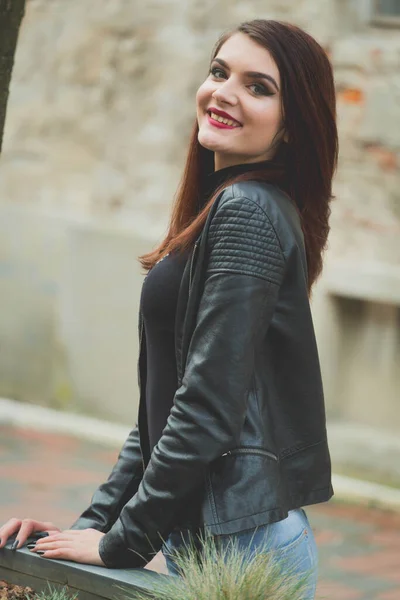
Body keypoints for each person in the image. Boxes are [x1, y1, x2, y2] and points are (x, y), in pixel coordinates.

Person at [0, 19, 337, 599]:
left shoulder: (247, 210)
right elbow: (162, 414)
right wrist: (89, 530)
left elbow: (205, 407)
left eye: (259, 87)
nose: (225, 92)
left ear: (291, 127)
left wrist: (122, 541)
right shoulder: (226, 207)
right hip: (222, 539)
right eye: (218, 72)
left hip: (242, 546)